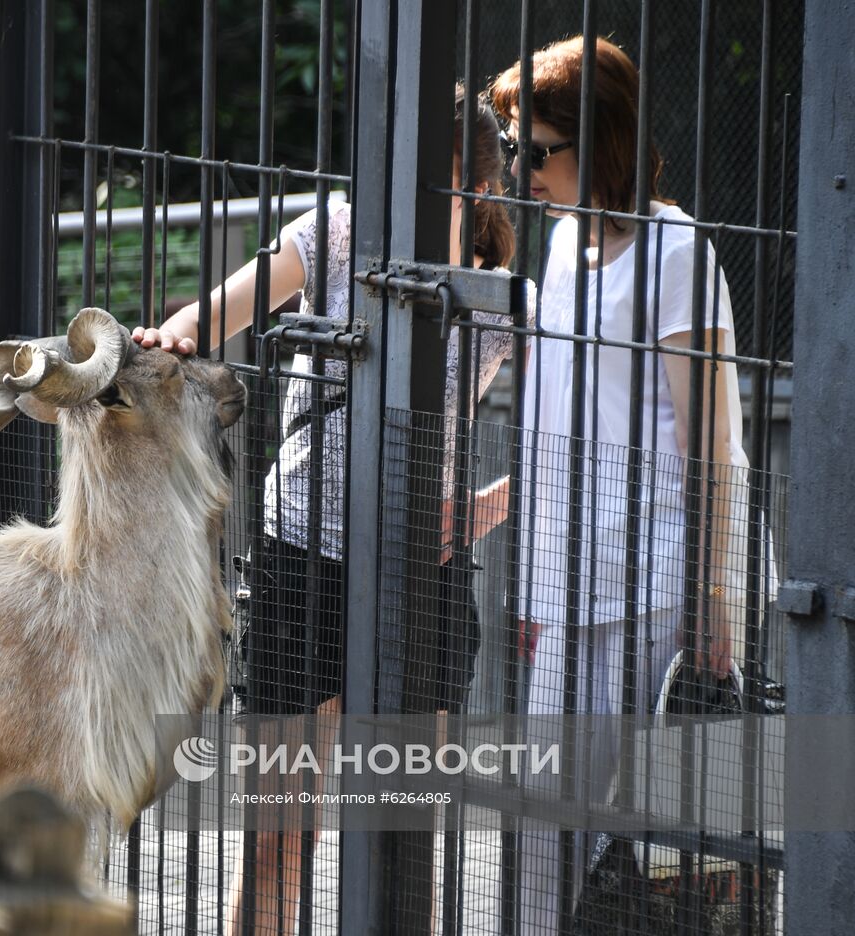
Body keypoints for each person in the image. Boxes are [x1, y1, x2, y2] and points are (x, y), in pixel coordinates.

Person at [134, 84, 530, 935]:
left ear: (475, 190)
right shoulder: (340, 228)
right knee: (280, 833)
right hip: (300, 557)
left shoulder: (497, 299)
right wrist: (174, 338)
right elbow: (225, 306)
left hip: (419, 577)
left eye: (432, 181)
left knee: (399, 835)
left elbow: (569, 434)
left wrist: (484, 508)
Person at [491, 35, 762, 934]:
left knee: (657, 842)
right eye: (509, 147)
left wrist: (713, 594)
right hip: (567, 575)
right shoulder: (563, 244)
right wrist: (524, 551)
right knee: (538, 824)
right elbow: (558, 417)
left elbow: (709, 439)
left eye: (536, 149)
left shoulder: (676, 249)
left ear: (597, 140)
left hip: (655, 581)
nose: (518, 167)